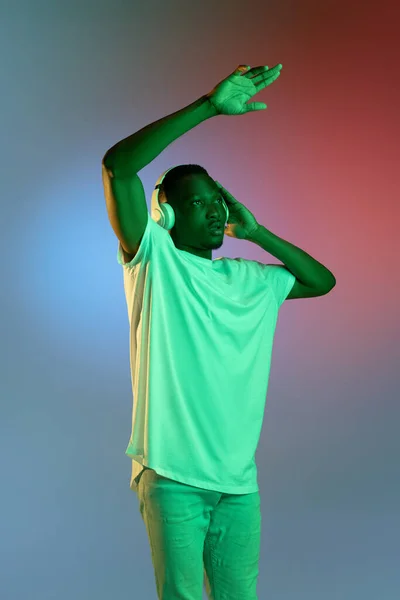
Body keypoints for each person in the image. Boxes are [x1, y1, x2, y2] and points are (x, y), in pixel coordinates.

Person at [101, 63, 336, 600]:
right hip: (172, 474)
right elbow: (118, 167)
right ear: (166, 214)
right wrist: (209, 106)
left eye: (218, 201)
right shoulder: (153, 260)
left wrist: (256, 233)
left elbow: (321, 281)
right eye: (198, 203)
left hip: (238, 483)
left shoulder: (249, 279)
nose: (214, 211)